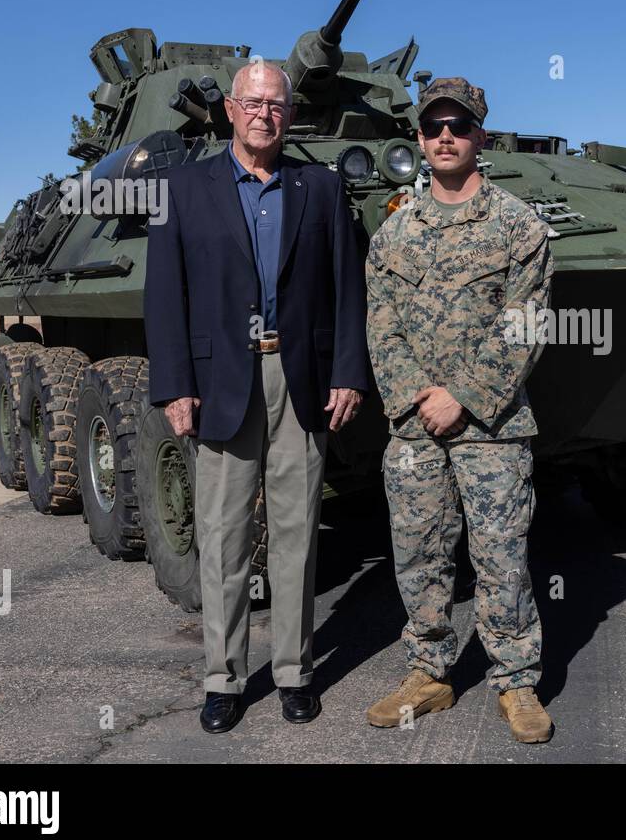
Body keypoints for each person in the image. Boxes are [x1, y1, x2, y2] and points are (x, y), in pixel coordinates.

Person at [144, 61, 368, 734]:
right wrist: (174, 384)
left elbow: (346, 288)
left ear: (288, 113)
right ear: (231, 110)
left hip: (297, 378)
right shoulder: (183, 189)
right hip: (219, 386)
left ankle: (296, 670)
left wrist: (349, 371)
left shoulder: (320, 188)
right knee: (222, 535)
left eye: (276, 103)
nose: (265, 112)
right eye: (253, 101)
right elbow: (164, 299)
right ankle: (224, 676)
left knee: (297, 536)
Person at [364, 77, 556, 743]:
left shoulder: (518, 225)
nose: (445, 135)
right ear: (419, 138)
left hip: (493, 427)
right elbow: (380, 324)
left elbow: (526, 322)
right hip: (414, 426)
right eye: (433, 126)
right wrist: (420, 394)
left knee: (501, 553)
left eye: (459, 124)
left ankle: (516, 678)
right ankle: (429, 672)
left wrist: (464, 397)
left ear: (480, 135)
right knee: (418, 552)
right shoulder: (394, 231)